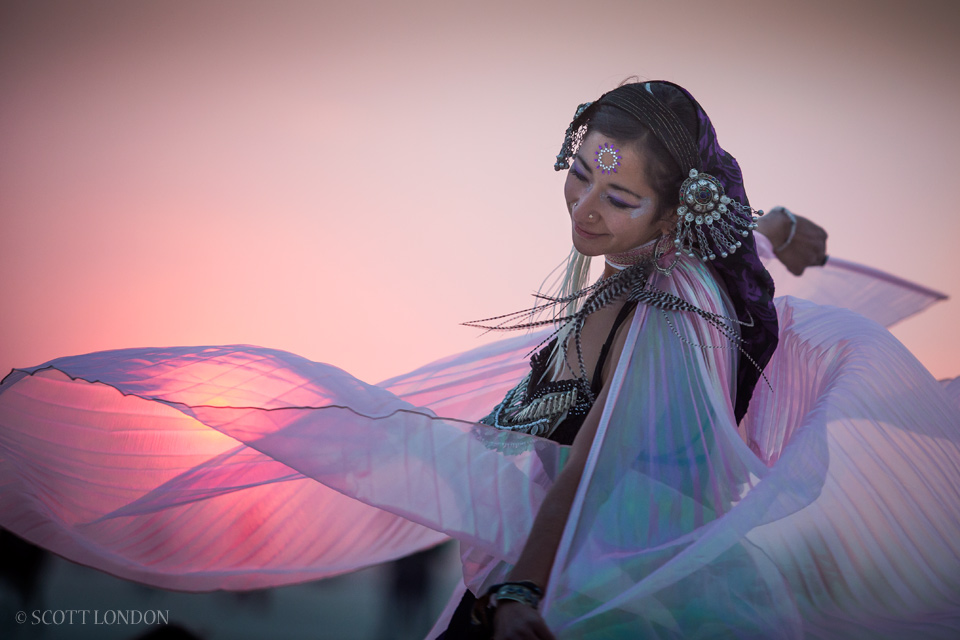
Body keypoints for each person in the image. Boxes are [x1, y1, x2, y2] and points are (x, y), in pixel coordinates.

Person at [0, 81, 957, 639]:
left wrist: (519, 590)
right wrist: (779, 224)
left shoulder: (665, 301)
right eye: (581, 172)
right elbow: (724, 217)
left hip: (608, 587)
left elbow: (589, 468)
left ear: (674, 213)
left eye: (617, 199)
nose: (585, 209)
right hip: (577, 565)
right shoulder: (649, 268)